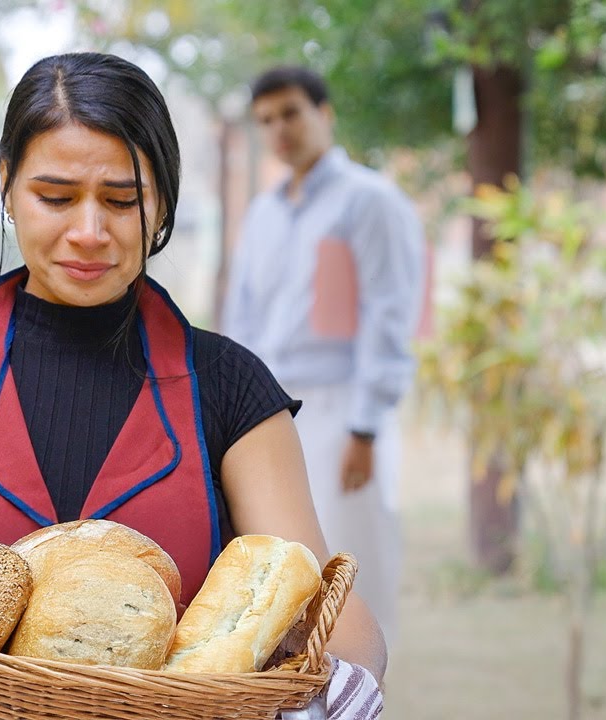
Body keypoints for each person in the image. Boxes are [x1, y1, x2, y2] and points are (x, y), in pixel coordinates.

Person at [0, 52, 386, 714]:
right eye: (56, 197)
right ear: (7, 185)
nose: (89, 232)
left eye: (122, 200)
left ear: (161, 201)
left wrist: (337, 694)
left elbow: (339, 624)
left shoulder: (231, 387)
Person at [222, 66, 425, 643]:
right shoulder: (263, 214)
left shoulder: (369, 202)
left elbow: (389, 317)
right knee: (282, 575)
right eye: (266, 120)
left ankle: (364, 698)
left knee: (354, 571)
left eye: (291, 113)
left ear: (324, 114)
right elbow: (243, 321)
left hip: (343, 412)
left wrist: (366, 427)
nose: (280, 129)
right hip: (267, 413)